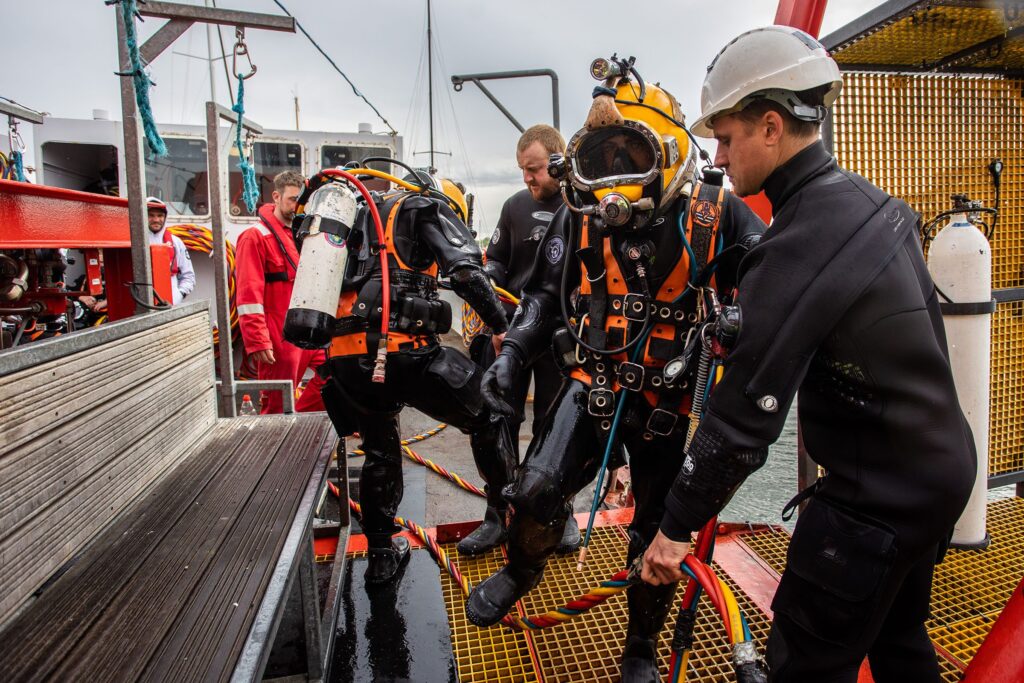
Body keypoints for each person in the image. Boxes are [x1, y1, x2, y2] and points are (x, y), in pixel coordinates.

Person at [639, 27, 976, 682]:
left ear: (771, 125)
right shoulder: (872, 207)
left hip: (872, 503)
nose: (720, 154)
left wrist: (672, 527)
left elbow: (743, 423)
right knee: (900, 639)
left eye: (728, 137)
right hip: (938, 476)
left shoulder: (799, 241)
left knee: (805, 661)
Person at [464, 58, 765, 683]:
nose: (611, 183)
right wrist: (514, 352)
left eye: (629, 156)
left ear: (670, 153)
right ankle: (522, 570)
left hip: (670, 404)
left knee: (655, 533)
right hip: (594, 383)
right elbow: (546, 295)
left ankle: (640, 648)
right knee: (535, 491)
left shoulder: (718, 216)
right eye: (599, 161)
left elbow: (777, 294)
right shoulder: (579, 217)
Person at [313, 171, 516, 585]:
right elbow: (464, 273)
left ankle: (382, 555)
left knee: (379, 453)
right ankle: (502, 517)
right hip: (403, 352)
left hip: (347, 362)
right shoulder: (425, 206)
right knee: (490, 413)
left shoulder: (354, 218)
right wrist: (500, 327)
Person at [458, 124, 578, 557]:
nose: (529, 178)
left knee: (556, 430)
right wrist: (495, 322)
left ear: (559, 163)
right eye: (523, 170)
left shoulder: (581, 209)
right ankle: (497, 517)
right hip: (511, 335)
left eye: (536, 169)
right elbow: (497, 265)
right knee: (498, 423)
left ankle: (558, 514)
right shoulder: (513, 208)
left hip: (559, 341)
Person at [236, 171, 326, 414]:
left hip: (308, 329)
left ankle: (300, 419)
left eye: (302, 201)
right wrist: (257, 339)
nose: (298, 206)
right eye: (292, 199)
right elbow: (247, 295)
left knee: (334, 373)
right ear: (276, 196)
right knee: (277, 404)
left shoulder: (304, 235)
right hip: (279, 337)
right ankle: (276, 437)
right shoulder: (255, 237)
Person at [145, 197, 195, 305]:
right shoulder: (132, 242)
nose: (156, 219)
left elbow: (189, 276)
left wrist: (178, 295)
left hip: (170, 304)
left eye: (160, 215)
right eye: (151, 215)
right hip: (141, 303)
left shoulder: (176, 242)